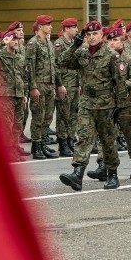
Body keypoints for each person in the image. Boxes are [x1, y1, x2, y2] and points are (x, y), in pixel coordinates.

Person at [57, 21, 126, 191]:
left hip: (106, 104)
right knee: (83, 138)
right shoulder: (81, 52)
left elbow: (120, 82)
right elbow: (62, 62)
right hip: (87, 103)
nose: (92, 37)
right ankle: (77, 174)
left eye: (95, 34)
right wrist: (75, 45)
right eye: (88, 35)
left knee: (108, 141)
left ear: (102, 35)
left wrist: (120, 106)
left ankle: (112, 175)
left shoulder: (111, 55)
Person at [105, 27, 131, 179]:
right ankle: (104, 165)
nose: (112, 43)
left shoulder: (129, 60)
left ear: (122, 42)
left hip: (126, 104)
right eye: (110, 40)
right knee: (107, 136)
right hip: (108, 104)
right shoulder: (105, 59)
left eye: (115, 40)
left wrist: (121, 85)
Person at [26, 15, 65, 159]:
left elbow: (54, 66)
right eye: (48, 24)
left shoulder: (49, 43)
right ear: (40, 26)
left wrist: (59, 84)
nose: (51, 27)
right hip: (39, 85)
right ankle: (36, 146)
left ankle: (42, 144)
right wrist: (33, 87)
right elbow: (30, 67)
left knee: (48, 117)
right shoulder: (33, 43)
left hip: (50, 85)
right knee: (38, 116)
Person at [0, 29, 30, 161]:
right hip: (6, 94)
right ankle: (7, 150)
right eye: (13, 39)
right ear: (7, 41)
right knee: (7, 124)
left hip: (18, 94)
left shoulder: (19, 57)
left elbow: (23, 76)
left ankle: (14, 147)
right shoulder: (0, 55)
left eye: (17, 39)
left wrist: (24, 93)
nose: (16, 42)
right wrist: (2, 42)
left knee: (18, 124)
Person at [54, 18, 80, 157]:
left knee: (73, 114)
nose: (76, 30)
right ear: (67, 29)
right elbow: (56, 66)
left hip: (75, 83)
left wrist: (79, 83)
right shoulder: (59, 44)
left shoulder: (74, 43)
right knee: (63, 115)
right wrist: (60, 85)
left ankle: (70, 139)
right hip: (65, 84)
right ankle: (63, 142)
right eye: (74, 27)